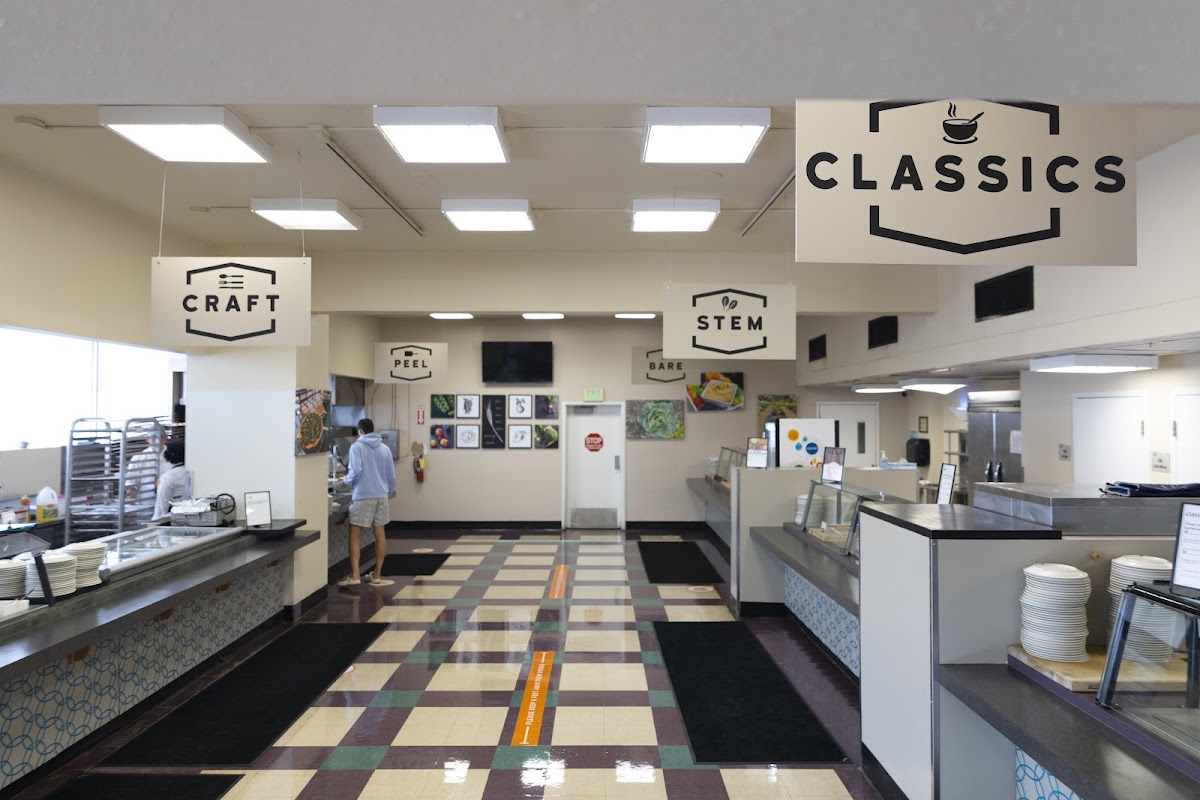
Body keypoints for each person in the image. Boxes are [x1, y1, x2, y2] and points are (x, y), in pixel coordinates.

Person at [337, 419, 396, 587]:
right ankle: (377, 574)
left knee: (355, 535)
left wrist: (345, 482)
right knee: (380, 535)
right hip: (381, 496)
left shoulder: (357, 447)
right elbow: (391, 477)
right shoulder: (385, 449)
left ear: (360, 431)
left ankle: (355, 575)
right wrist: (386, 493)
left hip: (362, 496)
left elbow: (355, 471)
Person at [153, 440, 194, 520]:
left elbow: (161, 506)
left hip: (174, 519)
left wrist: (155, 521)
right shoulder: (193, 472)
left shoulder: (168, 477)